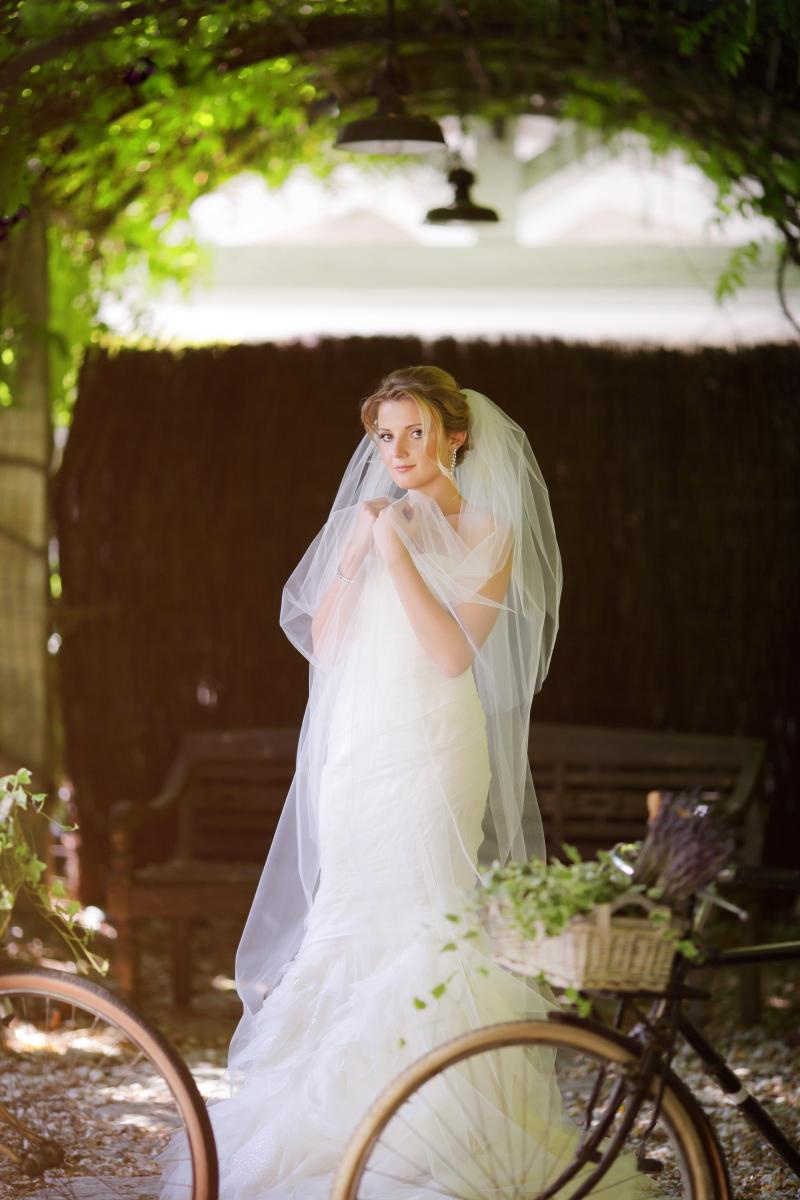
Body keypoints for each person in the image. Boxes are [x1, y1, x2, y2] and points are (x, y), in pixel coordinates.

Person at [160, 366, 649, 1199]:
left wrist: (398, 547)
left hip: (436, 744)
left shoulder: (490, 532)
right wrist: (358, 549)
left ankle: (446, 1131)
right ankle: (335, 1132)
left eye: (415, 432)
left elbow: (455, 650)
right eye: (384, 436)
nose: (398, 451)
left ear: (456, 436)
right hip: (360, 746)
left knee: (432, 916)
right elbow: (324, 636)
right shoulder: (367, 517)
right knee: (350, 915)